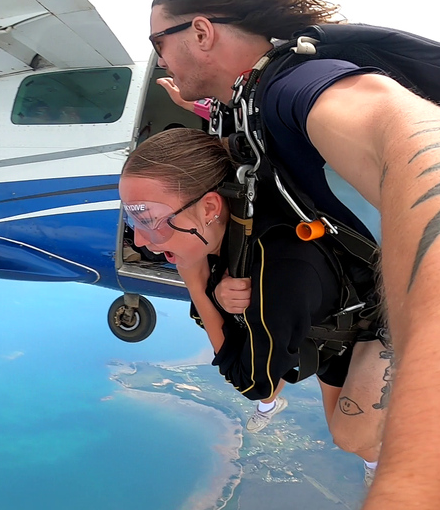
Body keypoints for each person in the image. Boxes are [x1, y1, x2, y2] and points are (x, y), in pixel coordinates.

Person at [148, 0, 440, 507]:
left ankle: (375, 455)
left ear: (203, 32)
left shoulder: (293, 86)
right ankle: (371, 454)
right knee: (340, 415)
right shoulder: (247, 100)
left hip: (378, 299)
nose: (161, 60)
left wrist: (437, 475)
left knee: (352, 432)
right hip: (345, 290)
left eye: (158, 43)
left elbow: (414, 139)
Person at [120, 128, 389, 486]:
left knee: (351, 435)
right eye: (132, 218)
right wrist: (216, 292)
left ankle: (383, 464)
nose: (141, 241)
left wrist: (197, 283)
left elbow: (254, 386)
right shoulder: (231, 226)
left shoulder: (276, 268)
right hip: (333, 319)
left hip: (382, 319)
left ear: (210, 207)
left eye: (150, 219)